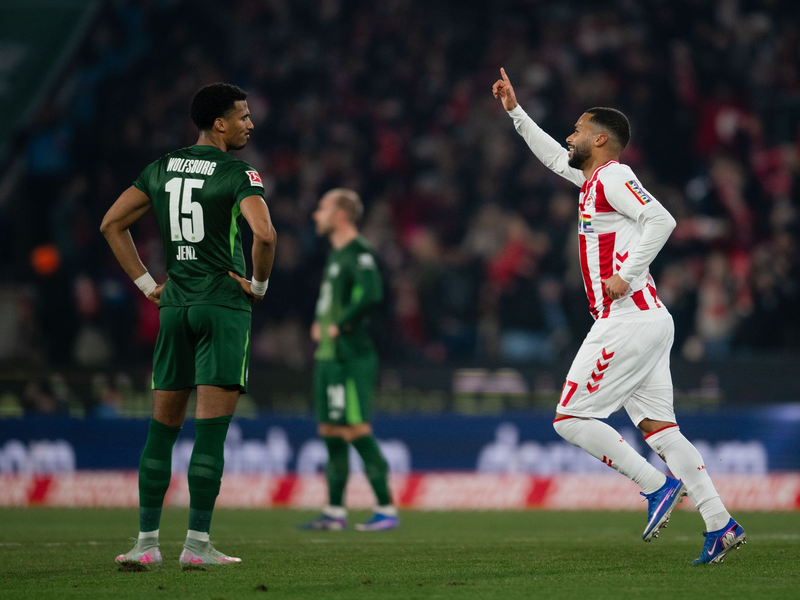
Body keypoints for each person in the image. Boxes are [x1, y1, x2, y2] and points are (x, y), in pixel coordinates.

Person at [492, 68, 745, 565]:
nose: (569, 135)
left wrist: (627, 273)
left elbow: (662, 219)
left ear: (601, 138)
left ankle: (655, 487)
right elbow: (551, 155)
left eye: (578, 129)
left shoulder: (613, 176)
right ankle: (721, 524)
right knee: (662, 431)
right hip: (645, 319)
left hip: (628, 315)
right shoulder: (591, 182)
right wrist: (516, 113)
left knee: (571, 417)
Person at [101, 83, 276, 566]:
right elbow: (264, 233)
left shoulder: (162, 167)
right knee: (211, 433)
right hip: (221, 305)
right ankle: (197, 546)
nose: (250, 123)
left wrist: (144, 284)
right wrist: (258, 287)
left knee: (161, 431)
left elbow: (111, 224)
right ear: (219, 124)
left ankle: (145, 544)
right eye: (243, 116)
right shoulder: (238, 172)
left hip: (174, 305)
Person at [298, 188, 398, 531]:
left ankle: (386, 509)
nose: (316, 215)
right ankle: (334, 512)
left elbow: (371, 294)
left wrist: (341, 325)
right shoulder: (337, 254)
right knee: (330, 430)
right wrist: (320, 323)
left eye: (322, 208)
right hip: (328, 356)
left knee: (355, 427)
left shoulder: (359, 252)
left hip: (350, 356)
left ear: (340, 214)